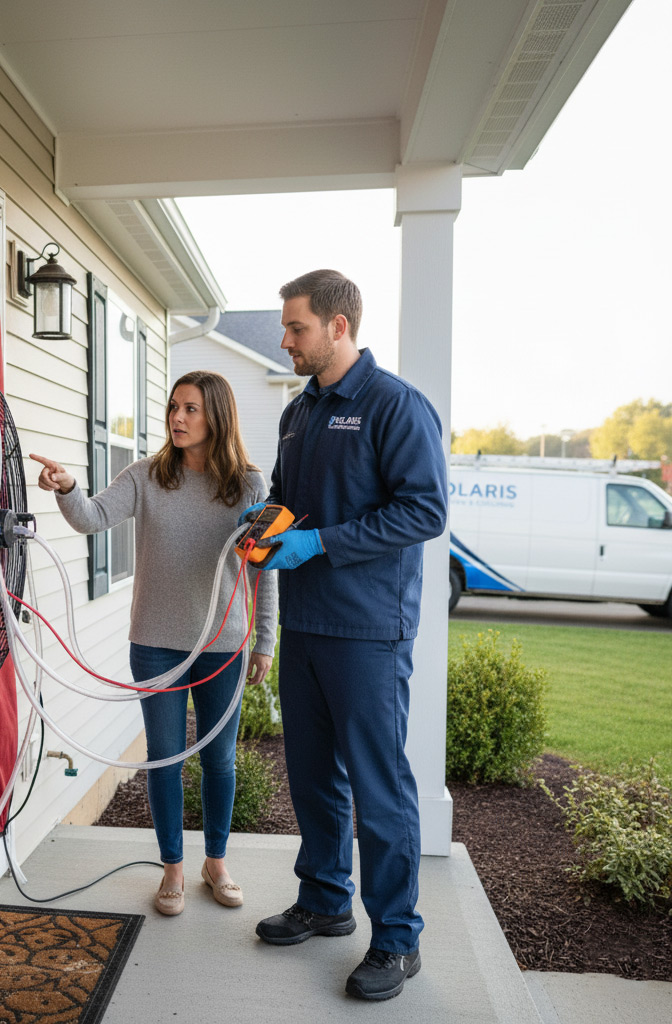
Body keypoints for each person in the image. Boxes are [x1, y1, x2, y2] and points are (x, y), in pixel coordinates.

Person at [247, 269, 447, 1001]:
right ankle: (326, 898)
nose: (286, 339)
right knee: (311, 774)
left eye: (296, 327)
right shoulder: (299, 412)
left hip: (367, 629)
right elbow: (284, 497)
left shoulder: (395, 406)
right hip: (303, 623)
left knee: (378, 787)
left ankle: (397, 941)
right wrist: (268, 525)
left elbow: (424, 511)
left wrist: (321, 543)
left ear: (338, 326)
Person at [30, 369, 278, 917]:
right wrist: (69, 487)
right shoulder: (146, 476)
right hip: (156, 644)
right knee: (164, 758)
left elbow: (265, 569)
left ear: (216, 416)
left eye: (190, 409)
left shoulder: (250, 486)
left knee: (220, 759)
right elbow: (92, 518)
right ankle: (172, 867)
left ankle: (216, 862)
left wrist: (265, 638)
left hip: (224, 644)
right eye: (173, 407)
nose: (177, 418)